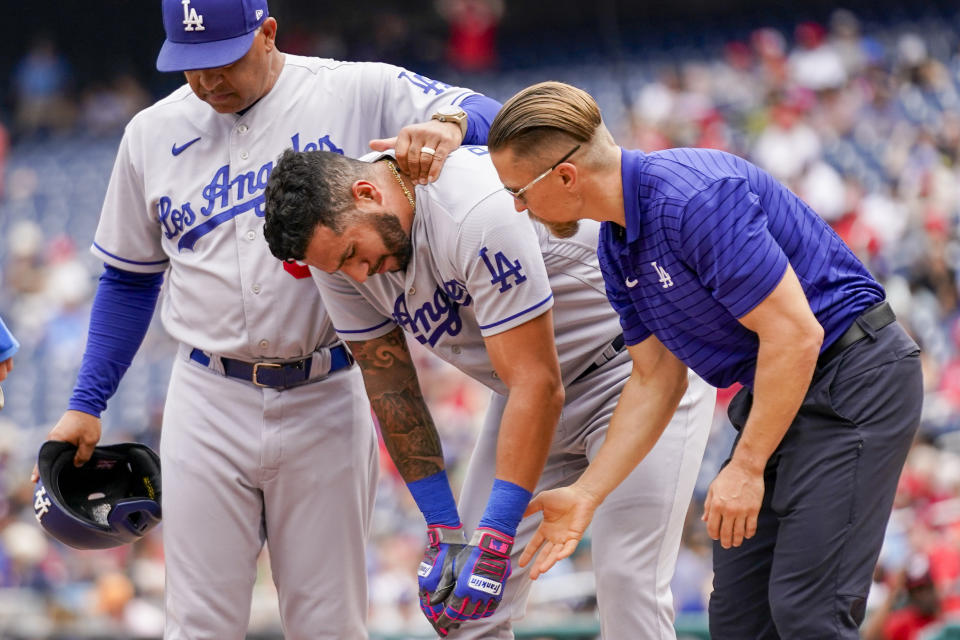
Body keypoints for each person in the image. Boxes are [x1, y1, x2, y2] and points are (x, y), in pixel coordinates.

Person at [29, 0, 502, 638]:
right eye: (189, 65)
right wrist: (87, 401)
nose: (206, 81)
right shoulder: (150, 131)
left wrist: (447, 124)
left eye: (221, 59)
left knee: (329, 624)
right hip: (206, 397)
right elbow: (128, 277)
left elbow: (493, 114)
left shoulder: (351, 89)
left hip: (327, 390)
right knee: (197, 625)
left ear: (268, 32)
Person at [486, 81, 923, 639]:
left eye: (519, 191)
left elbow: (796, 336)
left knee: (808, 614)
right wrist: (586, 493)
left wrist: (745, 466)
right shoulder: (615, 246)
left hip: (854, 375)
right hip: (778, 391)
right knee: (739, 622)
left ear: (566, 177)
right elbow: (654, 380)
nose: (518, 207)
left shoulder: (695, 198)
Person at [261, 147, 715, 638]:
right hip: (523, 397)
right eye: (337, 266)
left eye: (351, 253)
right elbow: (390, 383)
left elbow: (539, 383)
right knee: (463, 609)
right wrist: (442, 529)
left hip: (635, 374)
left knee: (628, 584)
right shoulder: (340, 262)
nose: (357, 273)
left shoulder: (471, 207)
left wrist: (495, 536)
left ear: (367, 193)